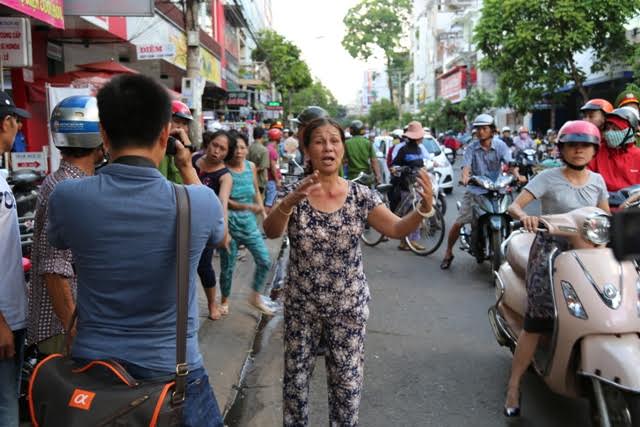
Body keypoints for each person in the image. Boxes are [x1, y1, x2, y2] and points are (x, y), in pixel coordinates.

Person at [47, 74, 226, 426]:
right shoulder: (199, 203)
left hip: (94, 372)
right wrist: (187, 166)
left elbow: (58, 240)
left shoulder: (67, 198)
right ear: (165, 134)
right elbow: (221, 238)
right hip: (174, 375)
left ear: (103, 133)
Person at [263, 117, 434, 427]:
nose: (328, 147)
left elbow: (396, 228)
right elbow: (271, 230)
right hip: (302, 307)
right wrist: (288, 201)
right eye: (319, 141)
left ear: (342, 148)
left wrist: (422, 209)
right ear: (307, 150)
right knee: (295, 387)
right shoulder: (294, 191)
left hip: (347, 309)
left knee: (347, 389)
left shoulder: (360, 195)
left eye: (334, 140)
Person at [503, 120, 609, 417]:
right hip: (551, 251)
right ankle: (514, 385)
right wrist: (527, 218)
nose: (579, 150)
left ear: (593, 150)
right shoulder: (548, 177)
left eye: (585, 145)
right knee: (538, 320)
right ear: (561, 149)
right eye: (572, 145)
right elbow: (516, 205)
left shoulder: (598, 181)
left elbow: (604, 216)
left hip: (590, 253)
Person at [27, 96, 105, 357]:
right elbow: (54, 269)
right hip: (63, 328)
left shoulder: (67, 182)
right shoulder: (68, 189)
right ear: (99, 141)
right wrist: (74, 330)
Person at [441, 113, 521, 269]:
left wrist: (517, 175)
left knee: (513, 218)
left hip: (497, 189)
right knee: (459, 223)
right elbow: (466, 167)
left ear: (492, 130)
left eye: (484, 128)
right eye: (478, 129)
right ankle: (448, 252)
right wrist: (464, 177)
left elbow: (510, 163)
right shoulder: (471, 148)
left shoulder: (500, 146)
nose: (480, 132)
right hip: (475, 190)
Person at [219, 132, 275, 315]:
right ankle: (224, 300)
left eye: (243, 147)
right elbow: (223, 201)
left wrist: (262, 209)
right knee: (228, 266)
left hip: (249, 222)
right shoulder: (223, 169)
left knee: (265, 260)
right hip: (229, 221)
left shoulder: (251, 166)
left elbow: (257, 191)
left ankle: (255, 296)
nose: (239, 151)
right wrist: (245, 206)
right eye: (235, 148)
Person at [0, 91, 31, 427]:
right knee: (6, 403)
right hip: (2, 320)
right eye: (15, 121)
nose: (19, 128)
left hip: (10, 316)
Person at [193, 130, 233, 320]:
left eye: (222, 148)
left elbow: (222, 204)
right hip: (182, 220)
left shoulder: (225, 176)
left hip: (205, 228)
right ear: (208, 144)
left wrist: (223, 232)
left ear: (227, 153)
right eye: (214, 145)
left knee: (204, 266)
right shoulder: (193, 160)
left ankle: (211, 304)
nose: (216, 150)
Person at [391, 121, 432, 251]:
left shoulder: (419, 149)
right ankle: (406, 241)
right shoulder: (403, 149)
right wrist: (401, 169)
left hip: (417, 184)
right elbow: (394, 166)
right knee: (408, 213)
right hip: (406, 185)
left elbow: (421, 164)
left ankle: (408, 241)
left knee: (415, 212)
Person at [587, 107, 640, 192]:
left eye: (615, 129)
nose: (609, 133)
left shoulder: (638, 155)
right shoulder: (596, 151)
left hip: (633, 202)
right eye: (607, 129)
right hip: (601, 202)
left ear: (629, 132)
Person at [159, 100, 194, 184]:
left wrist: (188, 147)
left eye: (185, 124)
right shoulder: (158, 148)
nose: (180, 128)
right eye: (177, 122)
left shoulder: (184, 148)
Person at [247, 126, 269, 197]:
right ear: (263, 136)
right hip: (259, 181)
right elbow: (263, 167)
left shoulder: (249, 148)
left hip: (248, 180)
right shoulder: (264, 150)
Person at [265, 128, 283, 213]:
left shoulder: (268, 148)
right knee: (270, 203)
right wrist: (277, 180)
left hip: (269, 179)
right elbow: (273, 167)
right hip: (271, 180)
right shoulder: (272, 151)